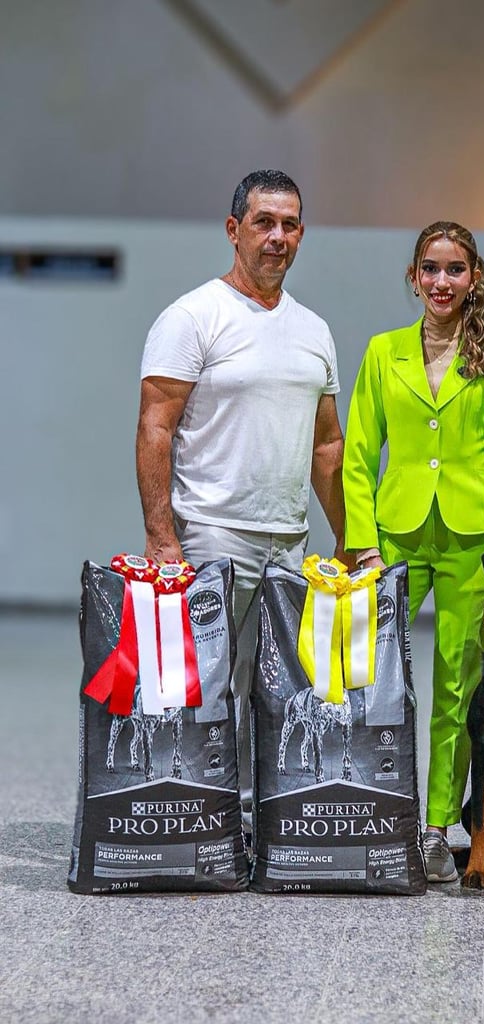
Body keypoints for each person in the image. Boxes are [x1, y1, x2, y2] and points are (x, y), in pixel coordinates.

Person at [136, 169, 350, 827]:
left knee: (280, 694)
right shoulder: (192, 317)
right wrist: (163, 538)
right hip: (211, 537)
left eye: (289, 225)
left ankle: (256, 824)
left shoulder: (313, 329)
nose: (277, 237)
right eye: (264, 222)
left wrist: (350, 535)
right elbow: (155, 427)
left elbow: (326, 446)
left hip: (289, 543)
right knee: (205, 691)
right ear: (234, 230)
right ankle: (196, 822)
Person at [343, 221, 484, 882]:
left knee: (458, 684)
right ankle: (367, 808)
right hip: (394, 534)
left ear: (473, 275)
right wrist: (362, 543)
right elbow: (360, 455)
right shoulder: (382, 352)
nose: (442, 282)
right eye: (431, 268)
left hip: (472, 542)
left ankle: (434, 828)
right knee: (370, 677)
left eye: (455, 269)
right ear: (414, 276)